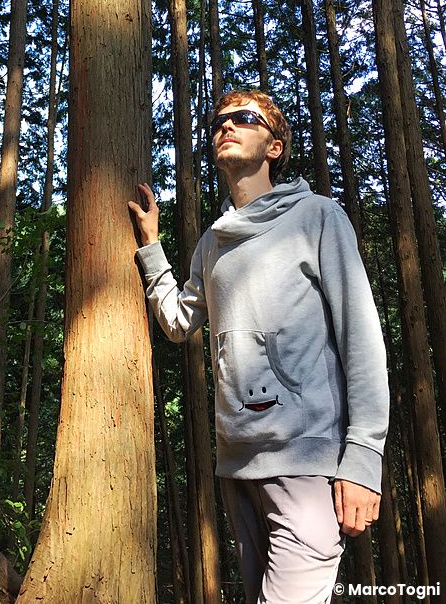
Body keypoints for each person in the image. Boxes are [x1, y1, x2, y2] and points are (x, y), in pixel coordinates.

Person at [128, 89, 389, 604]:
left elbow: (361, 336)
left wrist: (363, 458)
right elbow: (179, 322)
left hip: (308, 463)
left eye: (244, 118)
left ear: (274, 147)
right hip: (237, 464)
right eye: (219, 121)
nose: (226, 126)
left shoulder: (318, 216)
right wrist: (151, 246)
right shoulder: (213, 241)